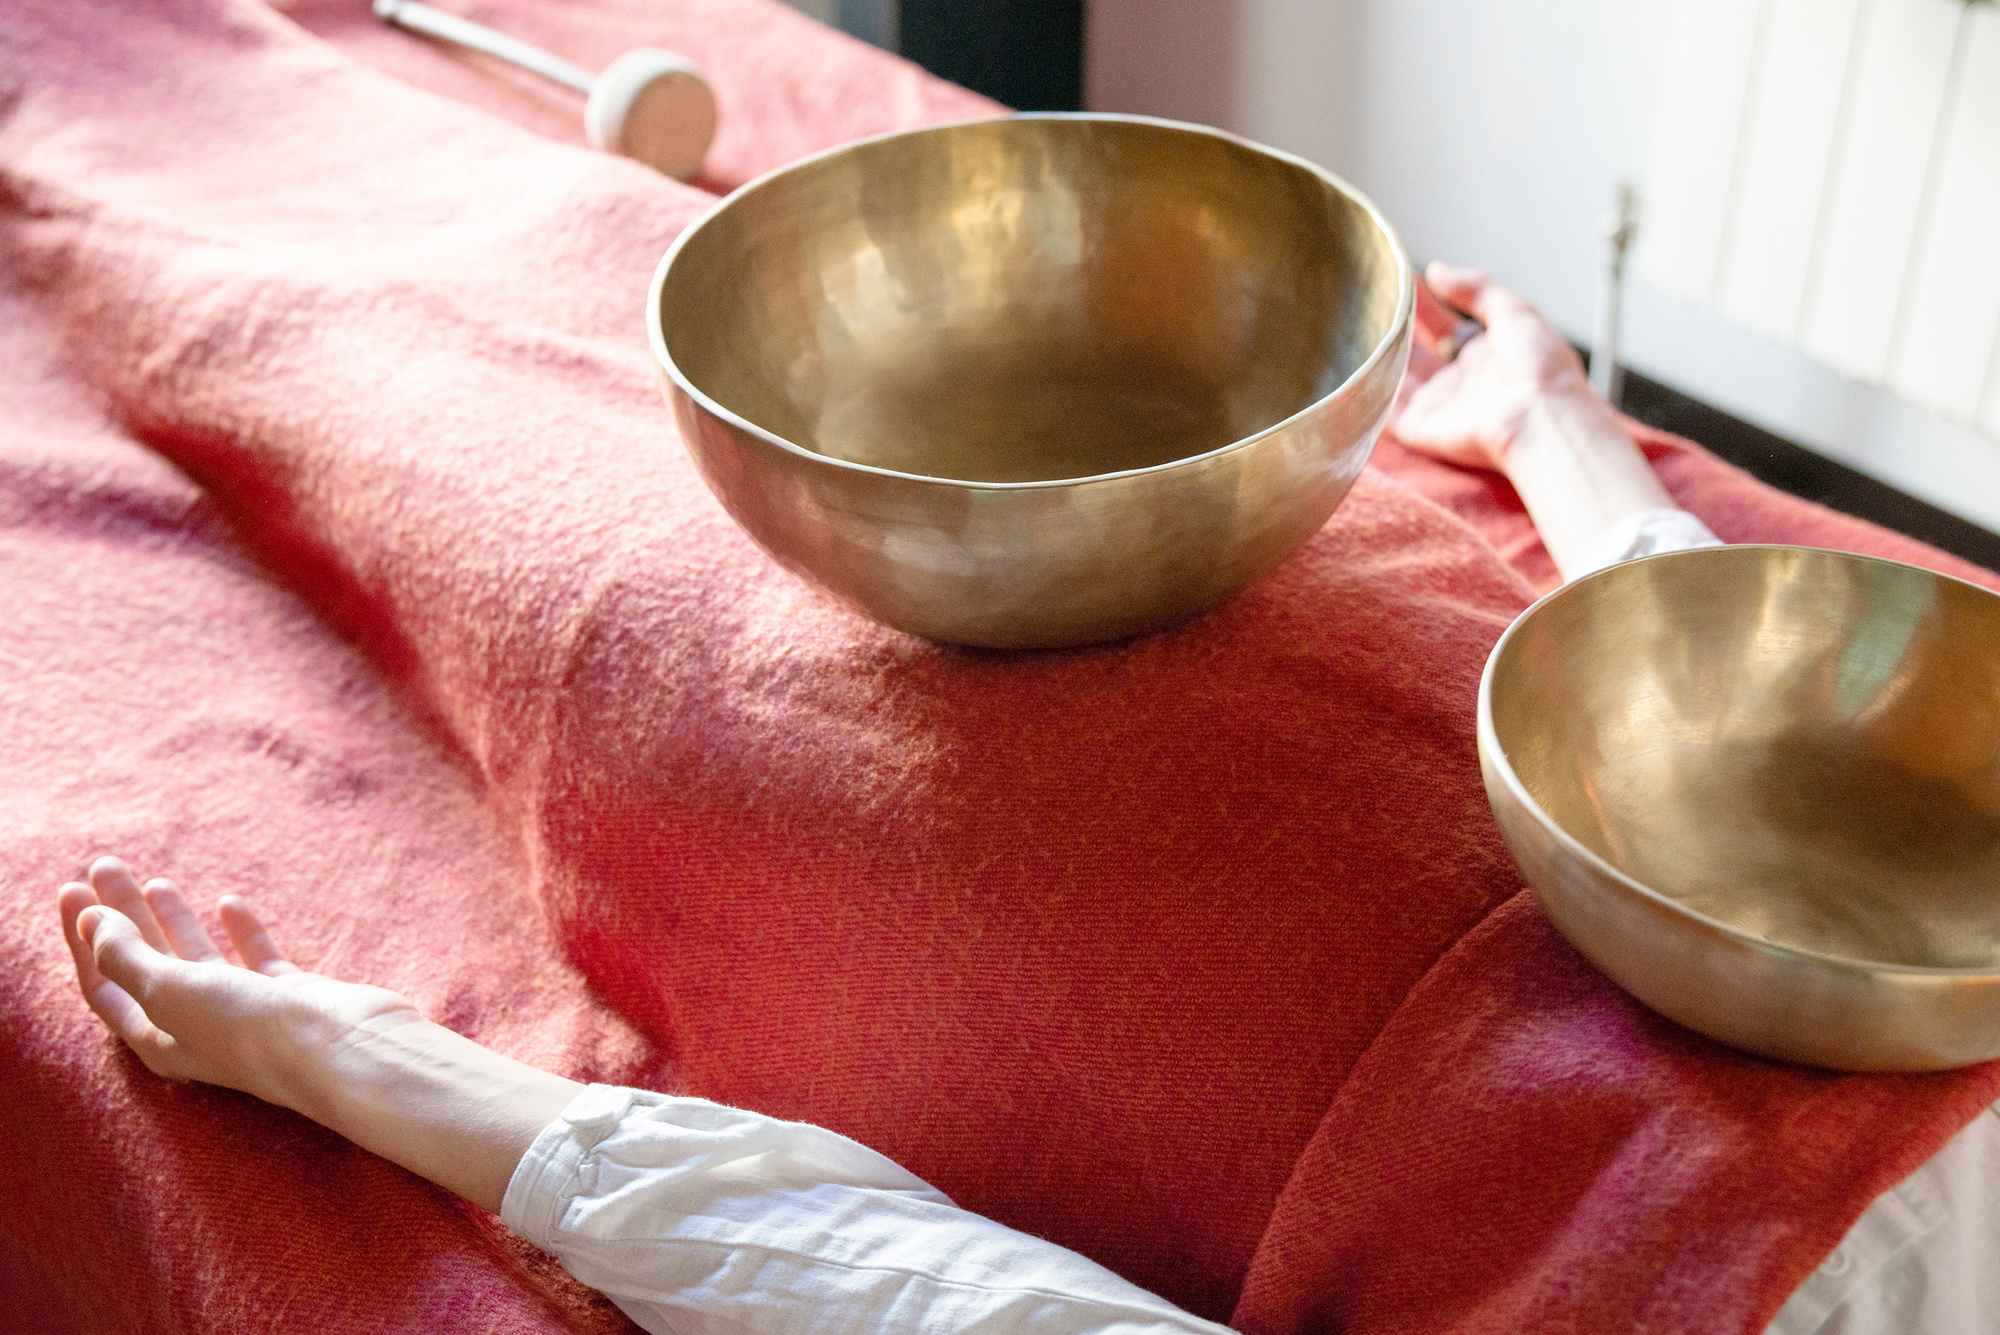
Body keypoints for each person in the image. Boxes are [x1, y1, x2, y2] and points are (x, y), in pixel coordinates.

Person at [53, 264, 1976, 1335]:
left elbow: (944, 1309)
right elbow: (1796, 700)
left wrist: (388, 1070)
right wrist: (1549, 429)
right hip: (1566, 808)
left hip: (1243, 1046)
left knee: (432, 437)